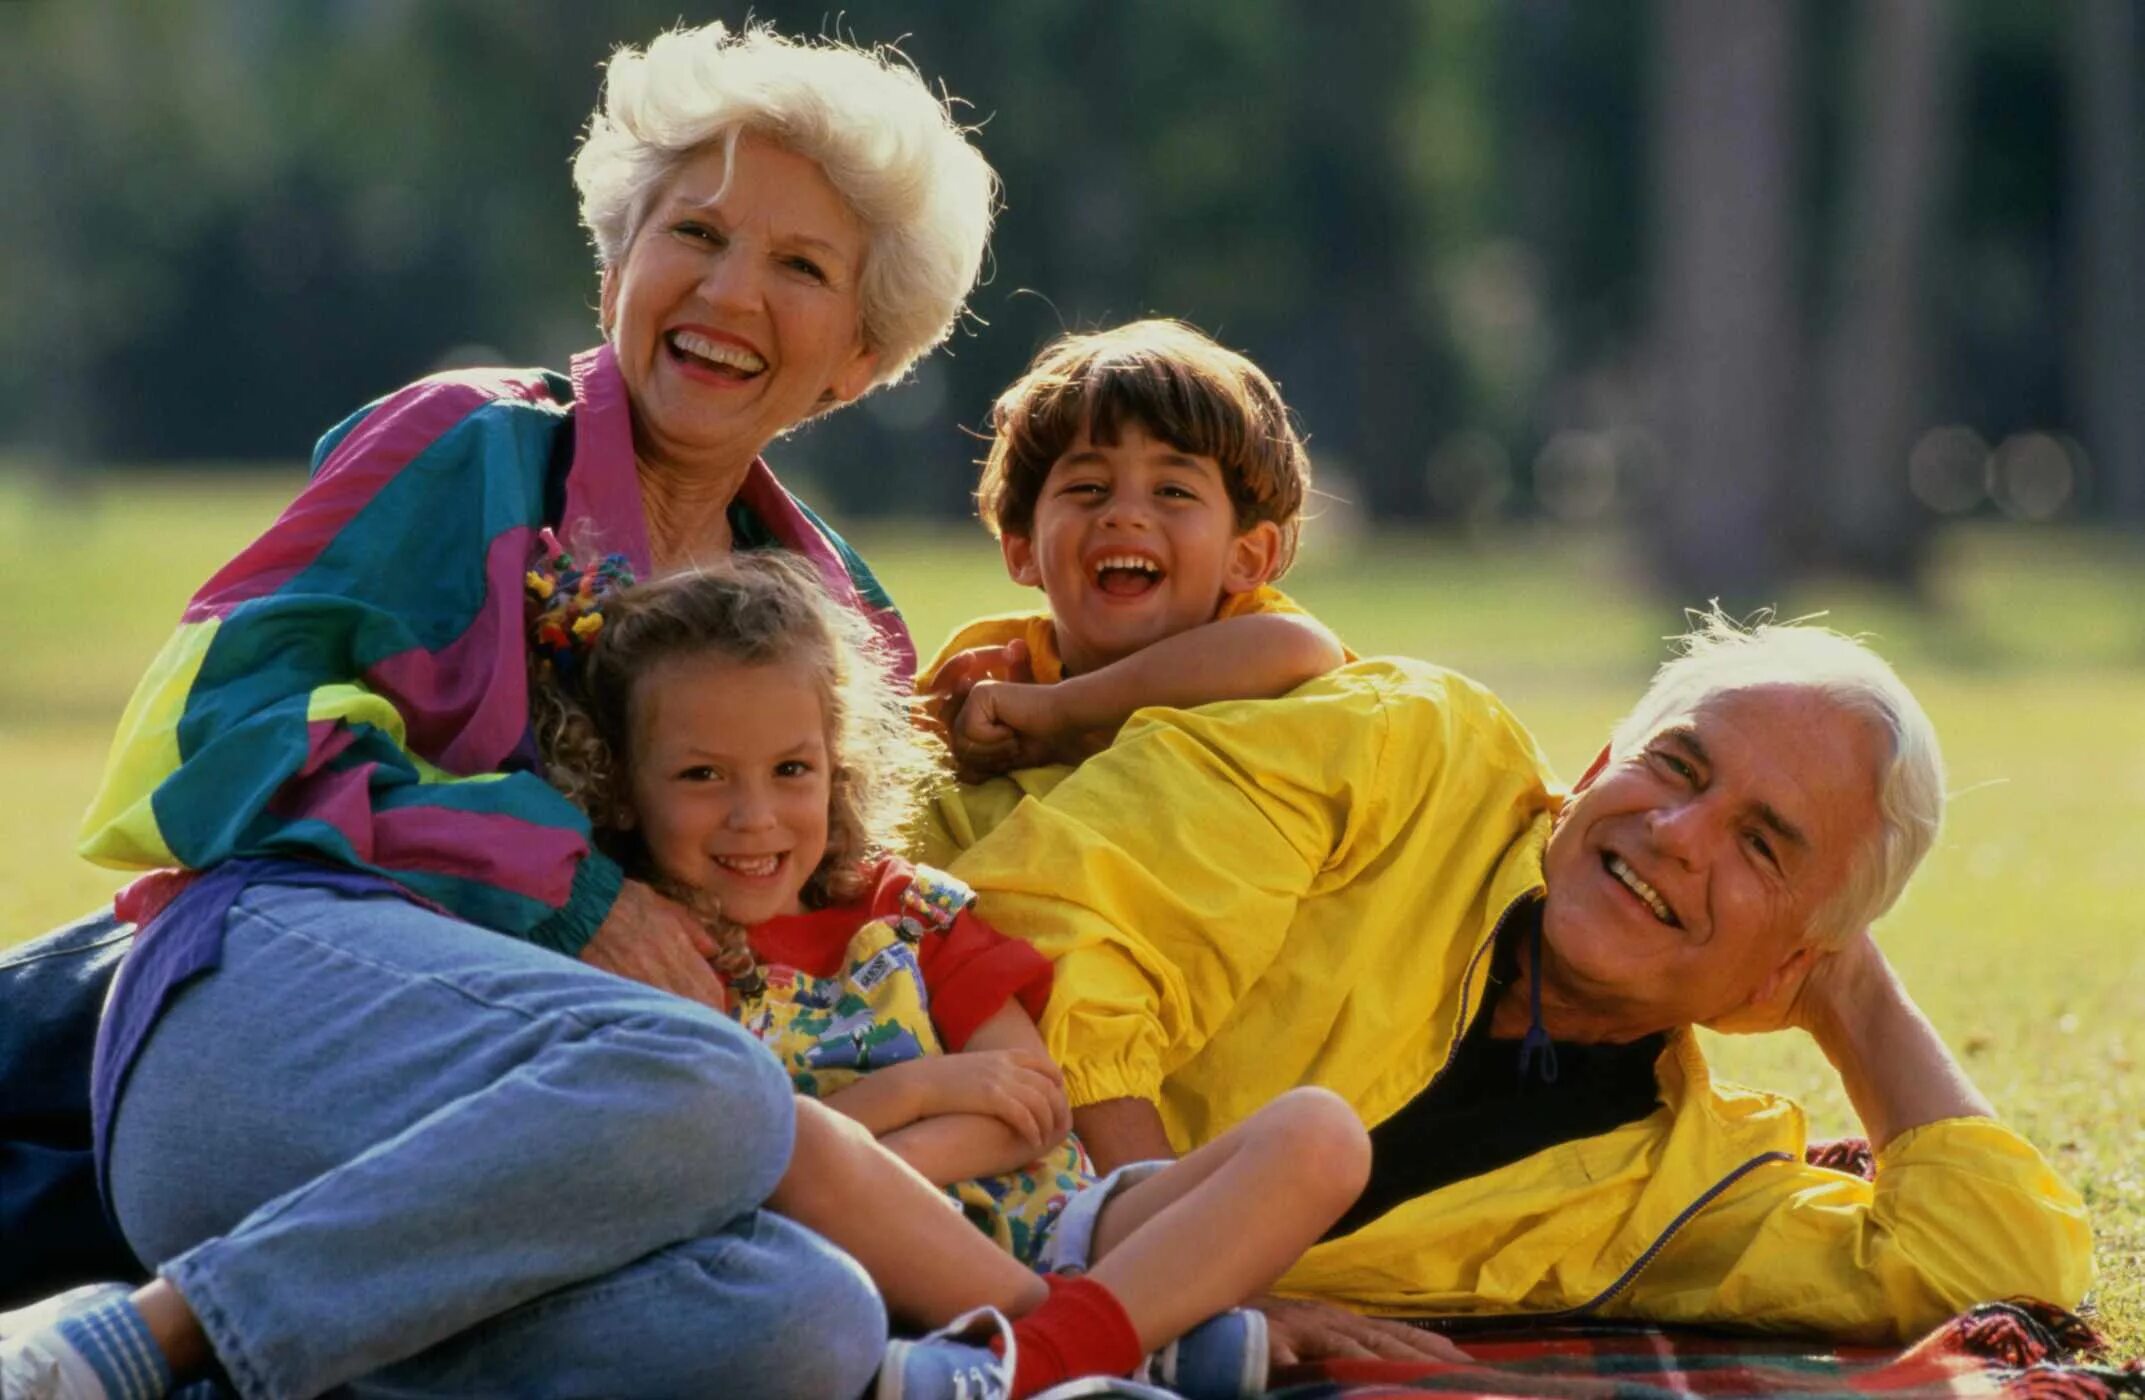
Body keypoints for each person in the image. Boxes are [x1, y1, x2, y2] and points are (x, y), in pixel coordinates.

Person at [2, 21, 1000, 1400]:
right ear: (615, 267)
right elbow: (204, 738)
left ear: (862, 358)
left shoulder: (844, 617)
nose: (729, 291)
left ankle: (199, 1353)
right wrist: (567, 890)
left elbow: (853, 930)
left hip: (561, 1158)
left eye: (801, 267)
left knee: (807, 1317)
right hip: (265, 1030)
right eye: (695, 233)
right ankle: (146, 1339)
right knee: (709, 1081)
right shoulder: (464, 442)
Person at [930, 613, 2095, 1355]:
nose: (1677, 832)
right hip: (852, 990)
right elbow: (1050, 928)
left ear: (1788, 970)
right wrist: (1181, 1281)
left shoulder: (1680, 1184)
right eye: (1675, 765)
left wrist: (1854, 996)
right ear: (1593, 770)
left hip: (951, 1232)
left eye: (1761, 845)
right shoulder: (1415, 745)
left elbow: (1996, 1267)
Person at [528, 549, 1392, 1400]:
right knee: (794, 1137)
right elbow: (760, 1168)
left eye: (791, 770)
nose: (754, 817)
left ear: (837, 768)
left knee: (1319, 1135)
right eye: (702, 776)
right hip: (852, 1270)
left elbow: (1031, 1107)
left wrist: (875, 1155)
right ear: (622, 785)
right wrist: (917, 1094)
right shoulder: (648, 954)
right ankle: (1108, 1345)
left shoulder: (907, 911)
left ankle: (1039, 1356)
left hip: (1067, 1229)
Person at [918, 320, 1349, 783]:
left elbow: (1309, 649)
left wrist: (1058, 710)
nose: (1124, 514)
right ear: (1023, 549)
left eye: (1173, 491)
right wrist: (970, 751)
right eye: (1088, 487)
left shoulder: (1253, 636)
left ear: (1247, 557)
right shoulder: (995, 664)